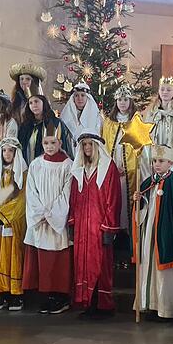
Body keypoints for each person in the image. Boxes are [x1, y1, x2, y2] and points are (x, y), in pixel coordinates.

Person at [68, 130, 121, 319]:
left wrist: (109, 227)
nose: (87, 148)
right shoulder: (79, 170)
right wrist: (73, 221)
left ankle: (103, 305)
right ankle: (87, 303)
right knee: (82, 264)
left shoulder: (108, 168)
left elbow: (113, 199)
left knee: (100, 265)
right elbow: (74, 197)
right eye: (84, 145)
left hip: (99, 226)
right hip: (83, 226)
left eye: (90, 144)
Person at [23, 125, 75, 315]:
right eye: (46, 143)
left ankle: (60, 297)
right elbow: (31, 191)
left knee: (58, 259)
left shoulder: (68, 165)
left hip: (56, 219)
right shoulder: (36, 164)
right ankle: (45, 296)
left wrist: (53, 214)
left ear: (60, 143)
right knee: (42, 259)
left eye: (53, 142)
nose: (49, 146)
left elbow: (67, 193)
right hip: (41, 219)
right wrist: (39, 213)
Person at [132, 144, 173, 320]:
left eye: (161, 161)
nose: (157, 164)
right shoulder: (148, 182)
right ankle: (148, 305)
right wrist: (138, 202)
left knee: (164, 273)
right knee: (147, 267)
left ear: (170, 162)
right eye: (154, 161)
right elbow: (141, 211)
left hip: (164, 234)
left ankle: (165, 309)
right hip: (149, 232)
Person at [0, 137, 28, 311]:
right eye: (4, 150)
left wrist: (2, 216)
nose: (7, 154)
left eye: (11, 150)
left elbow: (22, 200)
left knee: (14, 255)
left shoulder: (22, 175)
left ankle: (15, 295)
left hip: (14, 222)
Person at [101, 85, 140, 232]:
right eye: (119, 100)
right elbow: (104, 145)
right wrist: (112, 166)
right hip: (113, 167)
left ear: (130, 101)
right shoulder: (109, 122)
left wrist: (127, 166)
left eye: (125, 100)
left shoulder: (136, 121)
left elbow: (139, 148)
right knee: (113, 199)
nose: (122, 103)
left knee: (126, 200)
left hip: (129, 169)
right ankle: (113, 229)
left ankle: (129, 232)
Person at [140, 76, 173, 179]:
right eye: (162, 89)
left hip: (172, 153)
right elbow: (147, 135)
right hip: (155, 153)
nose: (165, 92)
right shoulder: (151, 113)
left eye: (169, 90)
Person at [18, 90, 71, 162]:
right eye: (30, 103)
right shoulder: (26, 126)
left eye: (36, 101)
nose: (34, 105)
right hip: (28, 167)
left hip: (49, 166)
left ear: (43, 103)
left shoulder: (53, 123)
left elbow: (61, 147)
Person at [60, 82, 102, 155]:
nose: (80, 98)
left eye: (83, 95)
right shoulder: (65, 116)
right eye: (76, 96)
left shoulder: (96, 117)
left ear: (87, 97)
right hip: (70, 154)